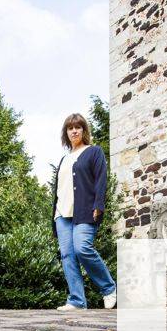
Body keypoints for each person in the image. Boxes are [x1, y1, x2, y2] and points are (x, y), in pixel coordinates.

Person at [51, 113, 116, 310]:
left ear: (84, 130)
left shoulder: (94, 152)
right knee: (67, 256)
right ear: (66, 133)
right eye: (70, 128)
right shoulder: (64, 159)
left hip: (85, 210)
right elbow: (59, 189)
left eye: (78, 127)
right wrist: (54, 215)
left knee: (82, 248)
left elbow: (100, 179)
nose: (74, 131)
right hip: (62, 214)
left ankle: (109, 288)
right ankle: (77, 301)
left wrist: (99, 204)